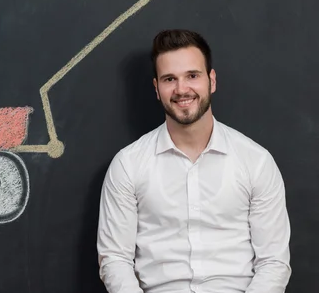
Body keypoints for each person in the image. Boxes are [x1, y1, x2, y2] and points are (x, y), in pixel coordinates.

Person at [97, 29, 291, 293]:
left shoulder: (256, 161)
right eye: (169, 79)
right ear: (157, 88)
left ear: (212, 81)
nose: (181, 89)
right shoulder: (128, 165)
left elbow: (274, 262)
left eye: (192, 75)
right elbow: (115, 259)